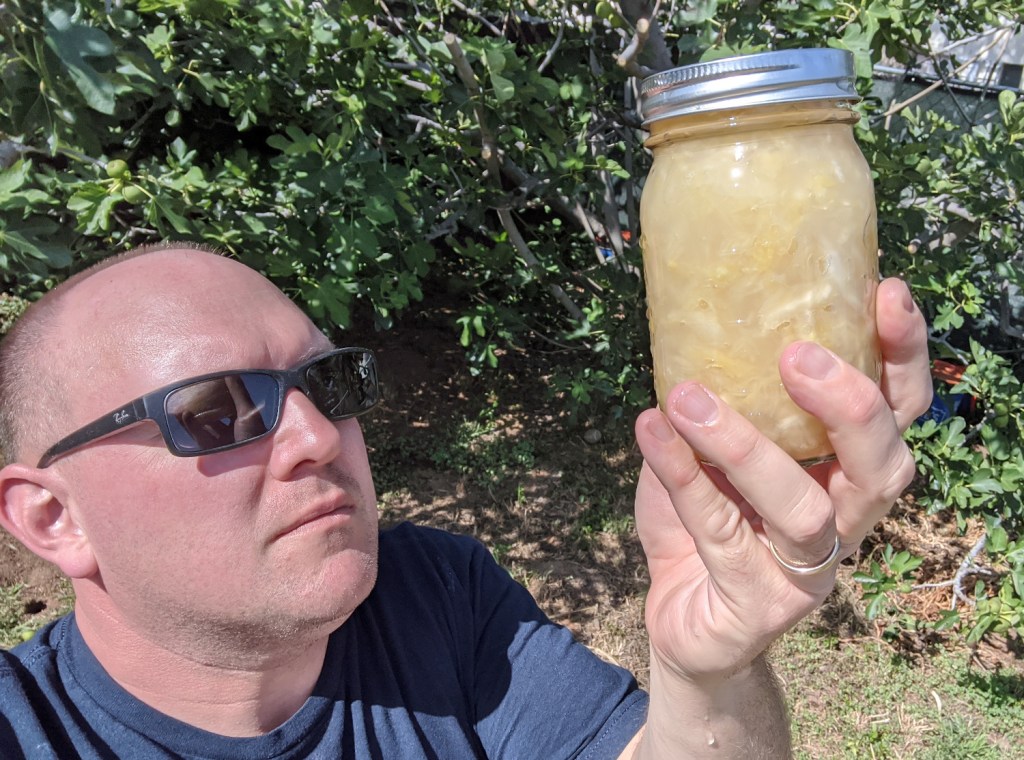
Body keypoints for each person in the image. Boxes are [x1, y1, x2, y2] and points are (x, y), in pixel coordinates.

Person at [0, 243, 931, 759]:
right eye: (215, 412)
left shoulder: (433, 597)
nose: (320, 436)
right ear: (53, 518)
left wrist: (712, 671)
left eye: (329, 382)